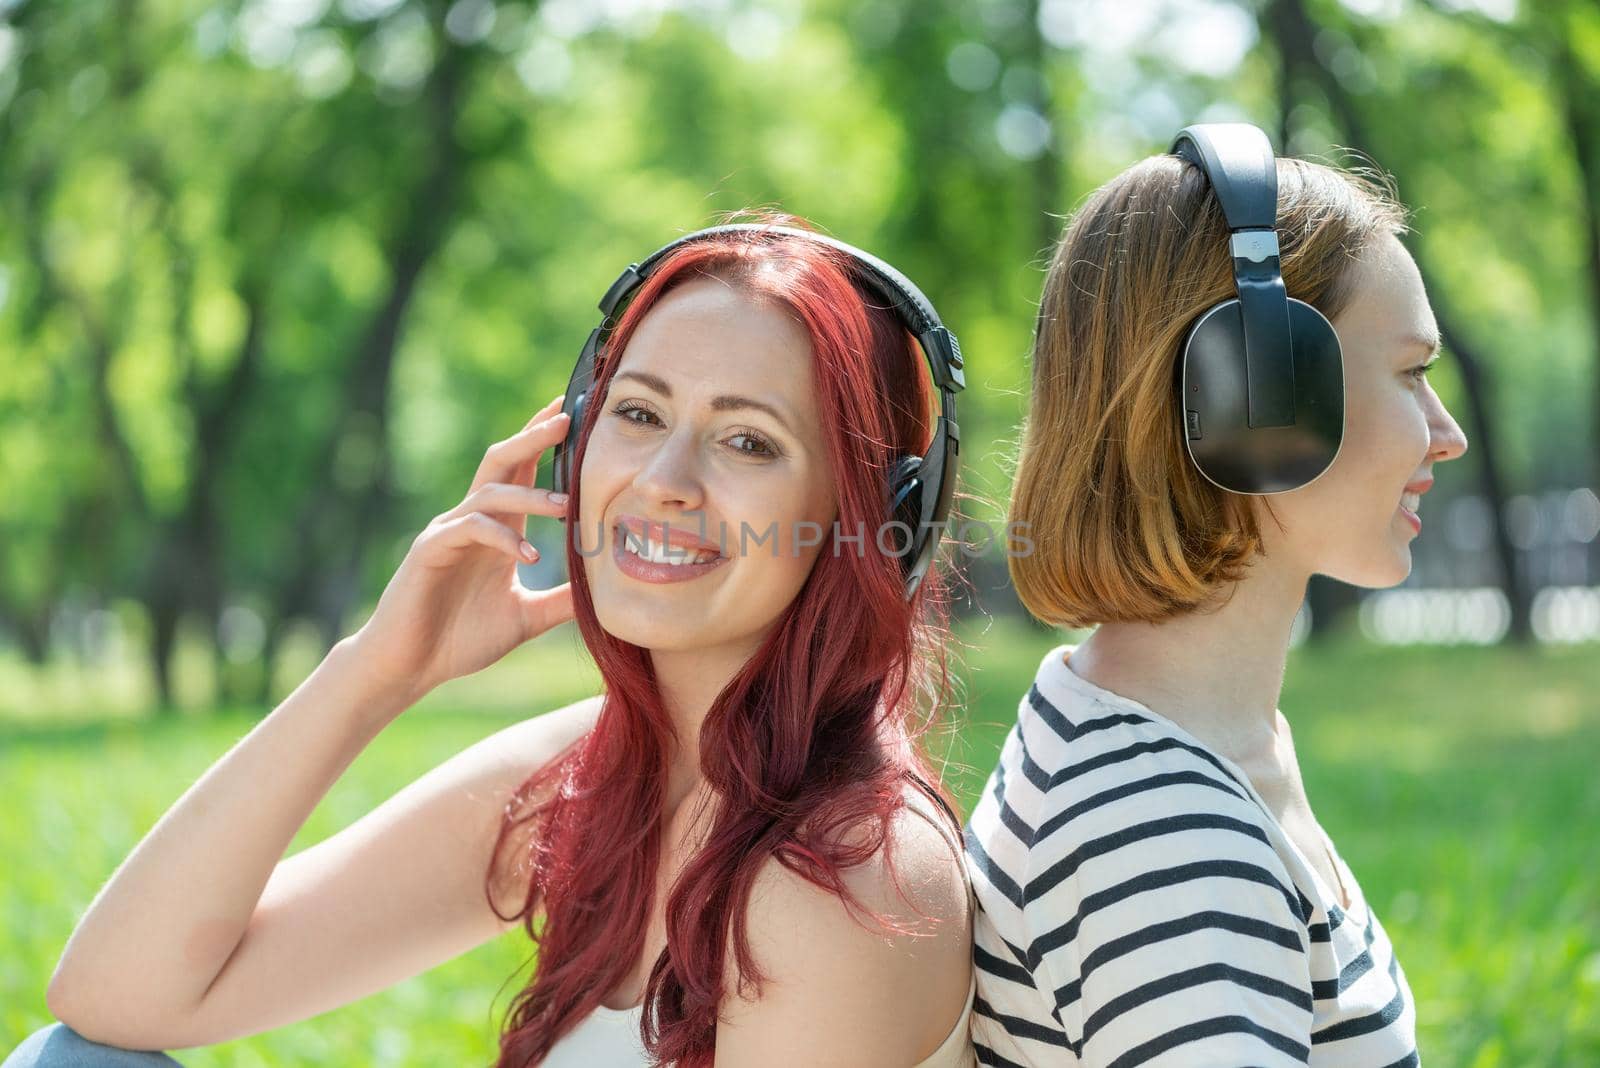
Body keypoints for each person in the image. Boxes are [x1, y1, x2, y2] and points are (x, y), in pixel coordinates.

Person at [11, 220, 977, 1067]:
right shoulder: (589, 778)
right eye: (638, 415)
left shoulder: (848, 875)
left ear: (877, 515)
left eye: (749, 442)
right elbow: (114, 998)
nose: (663, 481)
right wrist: (378, 671)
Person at [964, 126, 1466, 1066]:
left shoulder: (1176, 740)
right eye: (1412, 373)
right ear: (1260, 395)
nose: (1447, 434)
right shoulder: (1160, 837)